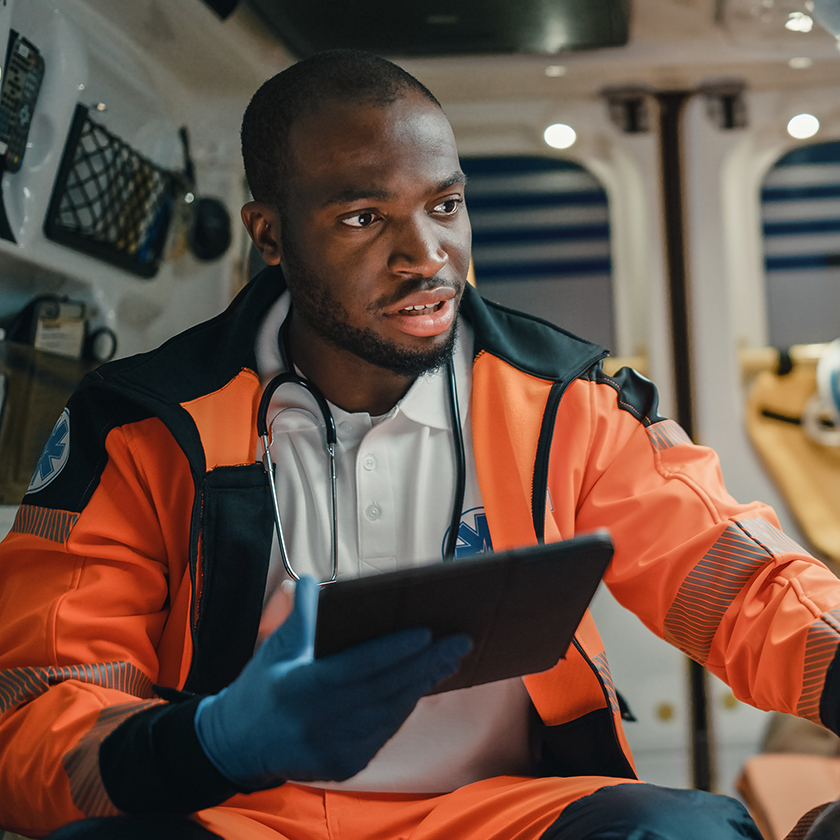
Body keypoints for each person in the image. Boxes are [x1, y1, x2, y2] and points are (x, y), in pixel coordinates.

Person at [0, 49, 838, 840]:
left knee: (686, 830)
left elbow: (741, 583)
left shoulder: (566, 400)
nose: (428, 256)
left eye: (444, 206)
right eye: (365, 218)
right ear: (269, 235)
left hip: (493, 813)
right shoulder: (144, 423)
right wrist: (212, 744)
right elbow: (38, 705)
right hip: (239, 813)